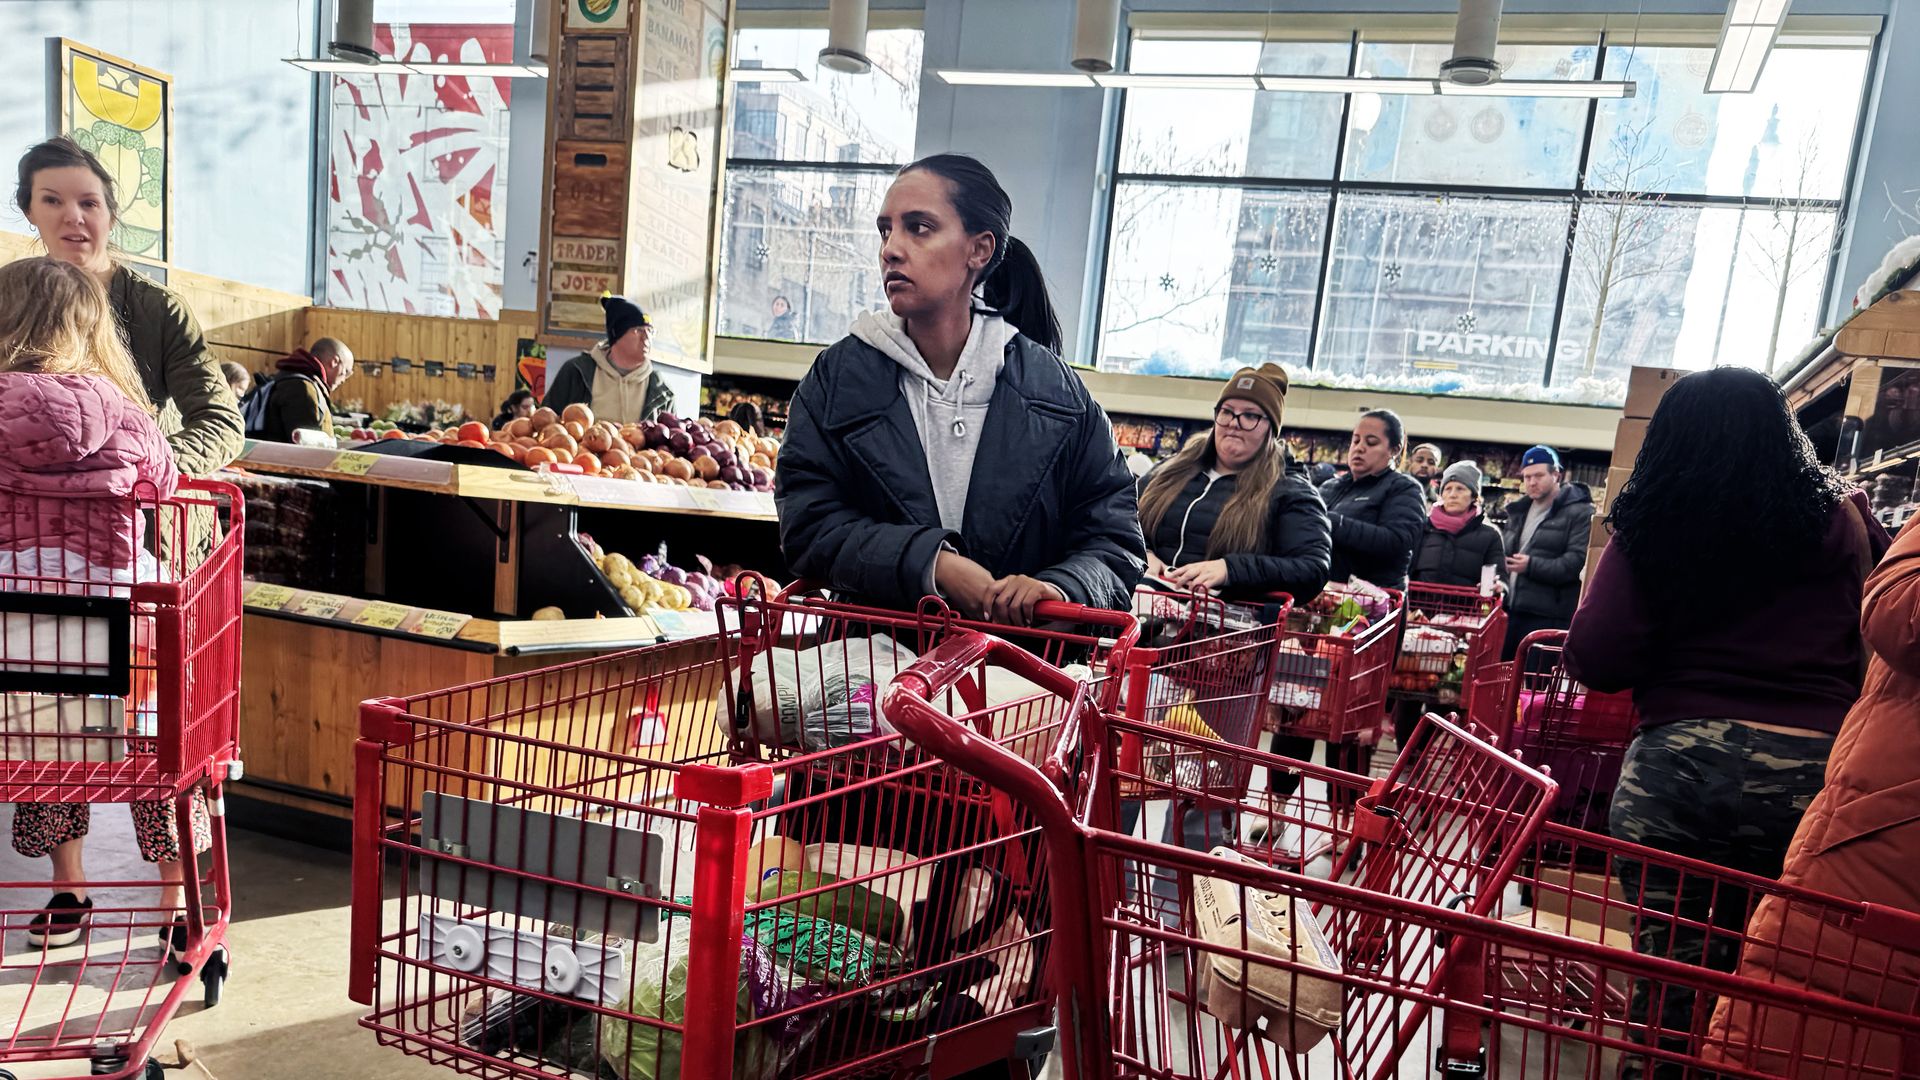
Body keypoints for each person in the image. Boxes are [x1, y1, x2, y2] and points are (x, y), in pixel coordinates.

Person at [1564, 367, 1887, 1076]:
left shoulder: (1654, 522)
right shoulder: (1845, 520)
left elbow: (1596, 656)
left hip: (1677, 776)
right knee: (1774, 971)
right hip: (1811, 779)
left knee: (1671, 978)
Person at [776, 152, 1145, 622]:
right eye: (885, 229)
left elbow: (1114, 541)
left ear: (979, 251)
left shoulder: (1059, 396)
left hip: (1018, 678)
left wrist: (1059, 587)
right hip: (871, 669)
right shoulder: (836, 380)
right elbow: (810, 525)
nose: (891, 247)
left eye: (920, 227)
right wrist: (934, 565)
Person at [0, 258, 211, 961]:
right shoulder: (124, 412)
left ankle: (69, 886)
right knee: (163, 749)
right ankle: (176, 900)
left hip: (16, 646)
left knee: (45, 734)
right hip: (120, 647)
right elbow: (165, 479)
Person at [1126, 362, 1330, 876]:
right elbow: (1118, 518)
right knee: (1122, 769)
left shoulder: (1287, 490)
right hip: (1144, 644)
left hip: (1223, 662)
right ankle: (1107, 889)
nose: (1235, 424)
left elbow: (1312, 567)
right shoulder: (1173, 470)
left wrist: (1228, 569)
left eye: (1252, 416)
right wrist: (1139, 555)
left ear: (1271, 429)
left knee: (1202, 783)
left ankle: (1190, 909)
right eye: (1228, 412)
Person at [16, 137, 242, 478]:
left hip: (142, 513)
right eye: (52, 200)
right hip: (28, 513)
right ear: (29, 211)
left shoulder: (160, 309)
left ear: (111, 216)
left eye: (89, 203)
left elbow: (220, 422)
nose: (73, 216)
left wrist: (139, 465)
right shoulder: (12, 299)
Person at [1392, 460, 1506, 745]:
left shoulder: (1489, 535)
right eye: (1448, 488)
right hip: (1420, 623)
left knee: (1445, 694)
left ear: (1474, 496)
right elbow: (1406, 568)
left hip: (1460, 628)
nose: (1453, 494)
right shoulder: (1423, 528)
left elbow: (1496, 577)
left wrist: (1493, 587)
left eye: (1460, 488)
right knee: (1409, 692)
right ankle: (1408, 754)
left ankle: (1424, 750)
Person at [1499, 445, 1594, 660]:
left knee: (1535, 689)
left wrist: (1530, 566)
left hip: (1548, 619)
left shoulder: (1580, 512)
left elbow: (1577, 563)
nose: (1532, 482)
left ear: (1556, 475)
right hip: (1512, 613)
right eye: (1527, 477)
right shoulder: (1518, 511)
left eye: (1539, 475)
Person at [1319, 409, 1426, 592]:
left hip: (1373, 605)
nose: (1359, 448)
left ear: (1394, 449)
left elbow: (1397, 541)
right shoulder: (1329, 487)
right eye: (1356, 440)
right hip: (1324, 598)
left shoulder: (1404, 488)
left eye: (1371, 442)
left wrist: (1329, 521)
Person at [542, 295, 675, 424]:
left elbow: (671, 440)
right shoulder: (578, 372)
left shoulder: (661, 390)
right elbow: (545, 421)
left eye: (650, 331)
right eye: (638, 330)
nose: (646, 337)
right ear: (616, 334)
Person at [252, 337, 354, 443]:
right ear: (334, 362)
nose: (344, 380)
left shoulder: (286, 379)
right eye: (346, 372)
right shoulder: (302, 388)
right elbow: (306, 445)